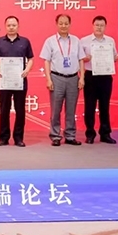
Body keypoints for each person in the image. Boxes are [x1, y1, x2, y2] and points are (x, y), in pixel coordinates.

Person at [40, 14, 85, 147]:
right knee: (56, 109)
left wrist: (82, 77)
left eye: (66, 23)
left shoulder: (76, 41)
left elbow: (81, 60)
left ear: (70, 24)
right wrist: (48, 79)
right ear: (56, 24)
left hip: (73, 78)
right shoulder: (50, 41)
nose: (63, 26)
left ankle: (70, 136)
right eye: (61, 23)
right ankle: (55, 136)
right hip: (56, 78)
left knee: (71, 110)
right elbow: (46, 61)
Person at [0, 15, 34, 147]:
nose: (11, 27)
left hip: (20, 81)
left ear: (18, 26)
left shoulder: (25, 42)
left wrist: (27, 70)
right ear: (5, 26)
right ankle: (3, 137)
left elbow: (31, 59)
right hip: (4, 81)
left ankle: (18, 138)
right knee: (4, 110)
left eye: (14, 25)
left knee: (20, 110)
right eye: (9, 25)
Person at [81, 15, 118, 144]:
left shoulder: (110, 40)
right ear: (93, 26)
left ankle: (105, 133)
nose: (99, 27)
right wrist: (85, 58)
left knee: (104, 106)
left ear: (105, 27)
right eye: (97, 25)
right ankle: (90, 134)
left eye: (102, 25)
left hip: (105, 76)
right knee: (89, 106)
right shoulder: (84, 41)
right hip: (90, 76)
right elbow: (79, 59)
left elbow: (115, 57)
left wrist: (111, 58)